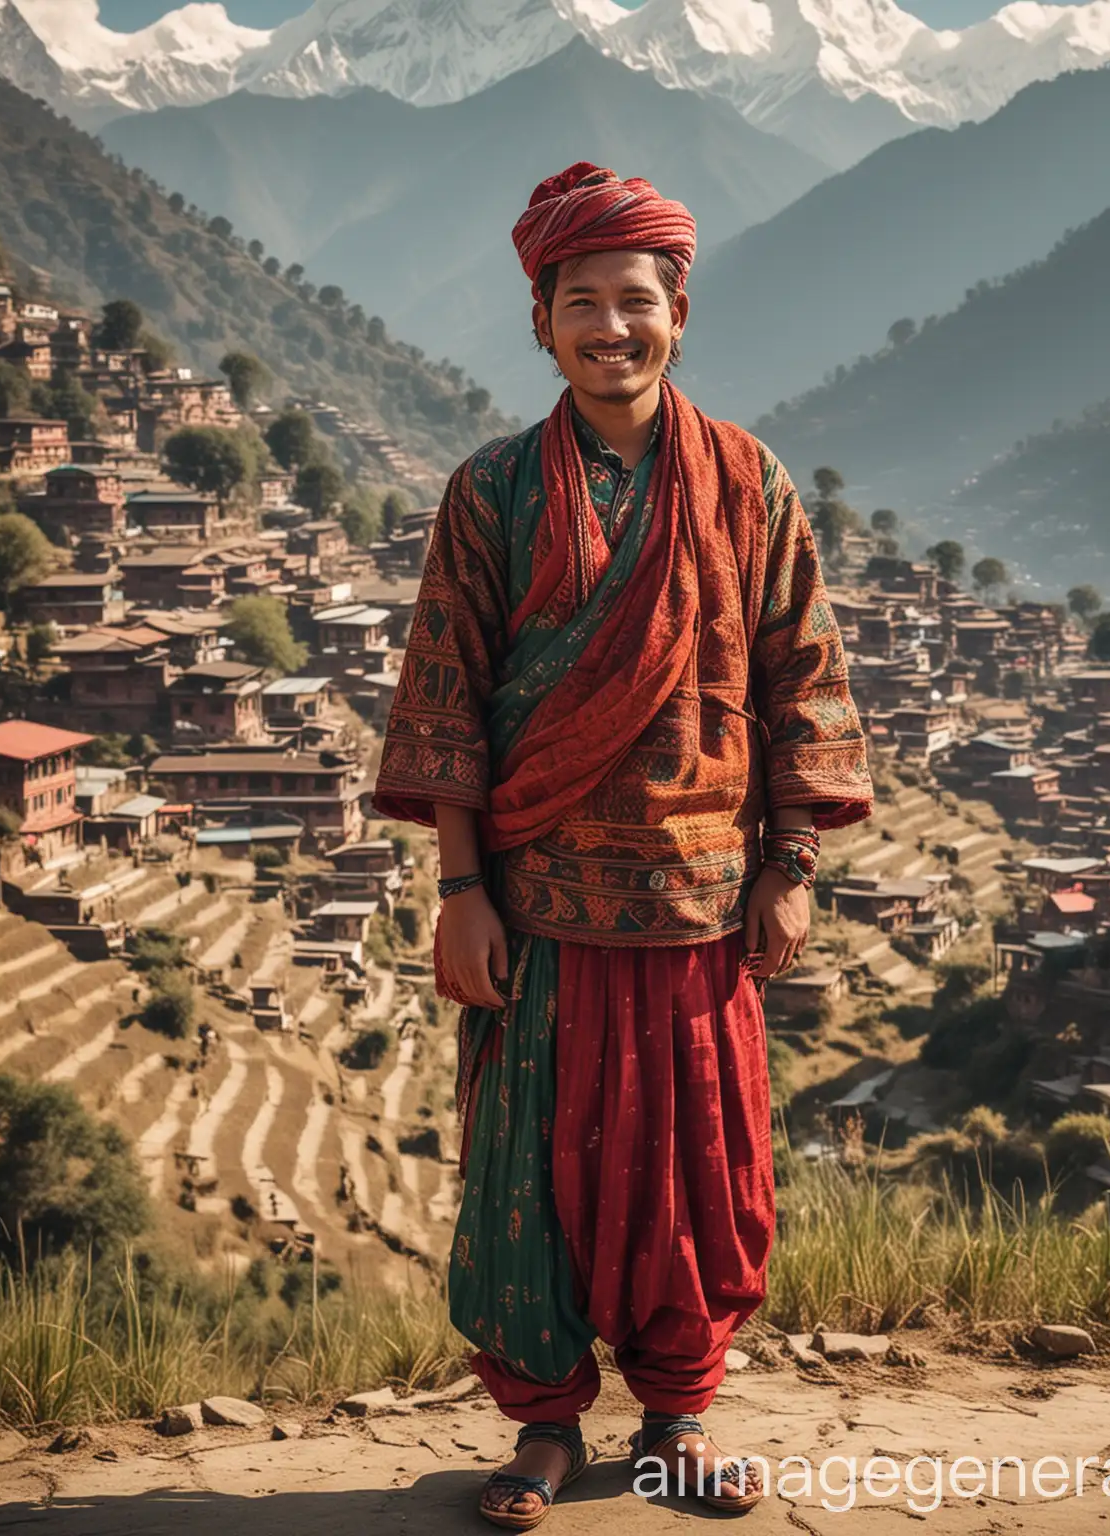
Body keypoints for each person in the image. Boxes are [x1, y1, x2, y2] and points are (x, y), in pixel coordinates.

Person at [373, 161, 874, 1528]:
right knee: (532, 1174)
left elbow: (801, 680)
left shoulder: (749, 485)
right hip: (534, 910)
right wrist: (461, 890)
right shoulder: (489, 497)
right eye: (580, 302)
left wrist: (792, 863)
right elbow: (446, 702)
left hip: (705, 906)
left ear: (680, 311)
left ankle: (676, 1415)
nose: (612, 328)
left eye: (635, 300)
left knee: (688, 1175)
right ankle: (542, 1430)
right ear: (540, 321)